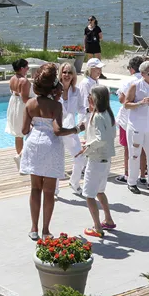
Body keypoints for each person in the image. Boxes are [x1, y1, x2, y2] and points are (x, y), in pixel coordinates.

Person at [20, 64, 78, 239]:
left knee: (35, 188)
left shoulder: (30, 104)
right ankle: (45, 230)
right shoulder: (56, 106)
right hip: (51, 146)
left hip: (33, 145)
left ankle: (33, 229)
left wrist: (36, 126)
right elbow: (58, 131)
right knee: (49, 191)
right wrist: (76, 129)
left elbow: (24, 130)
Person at [80, 86, 116, 237]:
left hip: (96, 160)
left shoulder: (98, 116)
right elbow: (109, 136)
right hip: (106, 159)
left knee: (89, 195)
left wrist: (87, 147)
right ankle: (108, 219)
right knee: (100, 191)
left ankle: (97, 227)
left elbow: (101, 139)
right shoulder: (108, 114)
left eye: (90, 96)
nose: (88, 97)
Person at [125, 61, 149, 195]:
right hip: (136, 125)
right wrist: (140, 103)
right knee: (134, 155)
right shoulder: (135, 85)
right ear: (142, 74)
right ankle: (132, 182)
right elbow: (126, 104)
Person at [115, 56, 147, 185]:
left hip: (128, 119)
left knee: (128, 148)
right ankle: (143, 175)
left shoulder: (128, 81)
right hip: (144, 119)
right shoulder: (148, 80)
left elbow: (122, 100)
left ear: (132, 69)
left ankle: (127, 174)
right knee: (143, 148)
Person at [58, 62, 86, 196]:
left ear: (73, 75)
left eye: (70, 72)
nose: (67, 75)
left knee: (80, 158)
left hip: (71, 130)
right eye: (64, 72)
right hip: (57, 131)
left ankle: (74, 182)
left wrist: (85, 117)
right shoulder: (55, 90)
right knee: (57, 161)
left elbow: (81, 108)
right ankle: (55, 190)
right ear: (60, 74)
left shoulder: (76, 91)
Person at [6, 59, 31, 166]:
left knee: (18, 134)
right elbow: (25, 99)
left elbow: (13, 92)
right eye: (27, 67)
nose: (28, 69)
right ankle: (21, 156)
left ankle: (21, 158)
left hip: (13, 104)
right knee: (30, 132)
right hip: (21, 107)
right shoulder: (24, 81)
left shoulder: (12, 78)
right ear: (22, 68)